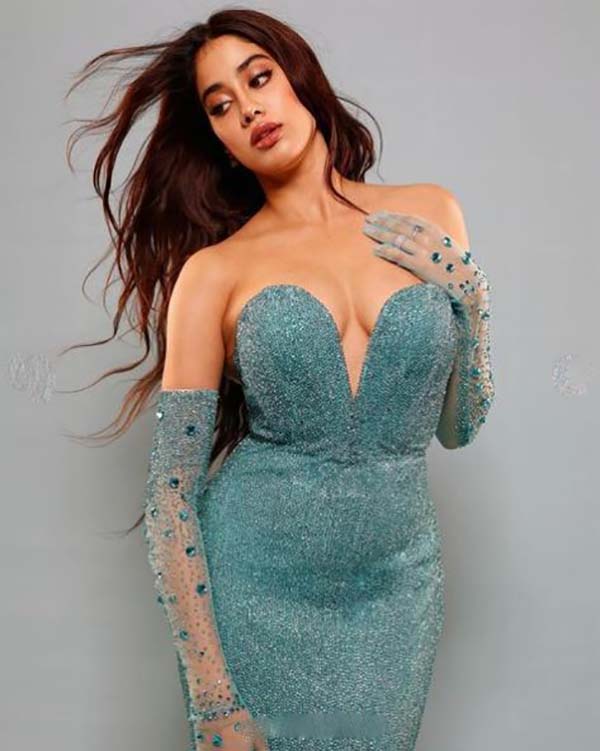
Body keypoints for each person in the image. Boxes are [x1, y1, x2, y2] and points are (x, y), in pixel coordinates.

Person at [66, 8, 495, 750]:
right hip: (257, 587)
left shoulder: (430, 214)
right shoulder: (215, 272)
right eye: (221, 106)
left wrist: (473, 305)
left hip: (397, 590)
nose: (248, 109)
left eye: (259, 79)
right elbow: (170, 495)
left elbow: (456, 429)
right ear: (219, 141)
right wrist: (211, 697)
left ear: (300, 78)